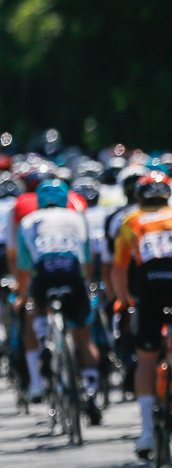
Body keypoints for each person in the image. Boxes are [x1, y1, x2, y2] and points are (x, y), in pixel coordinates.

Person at [112, 171, 172, 459]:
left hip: (149, 283)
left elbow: (119, 267)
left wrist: (125, 300)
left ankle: (147, 433)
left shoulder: (131, 221)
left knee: (146, 358)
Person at [14, 179, 103, 424]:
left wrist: (22, 298)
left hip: (44, 273)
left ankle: (44, 342)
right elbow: (86, 259)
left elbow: (24, 267)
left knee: (36, 306)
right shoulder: (77, 217)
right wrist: (85, 286)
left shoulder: (27, 221)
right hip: (72, 272)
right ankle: (92, 393)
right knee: (84, 338)